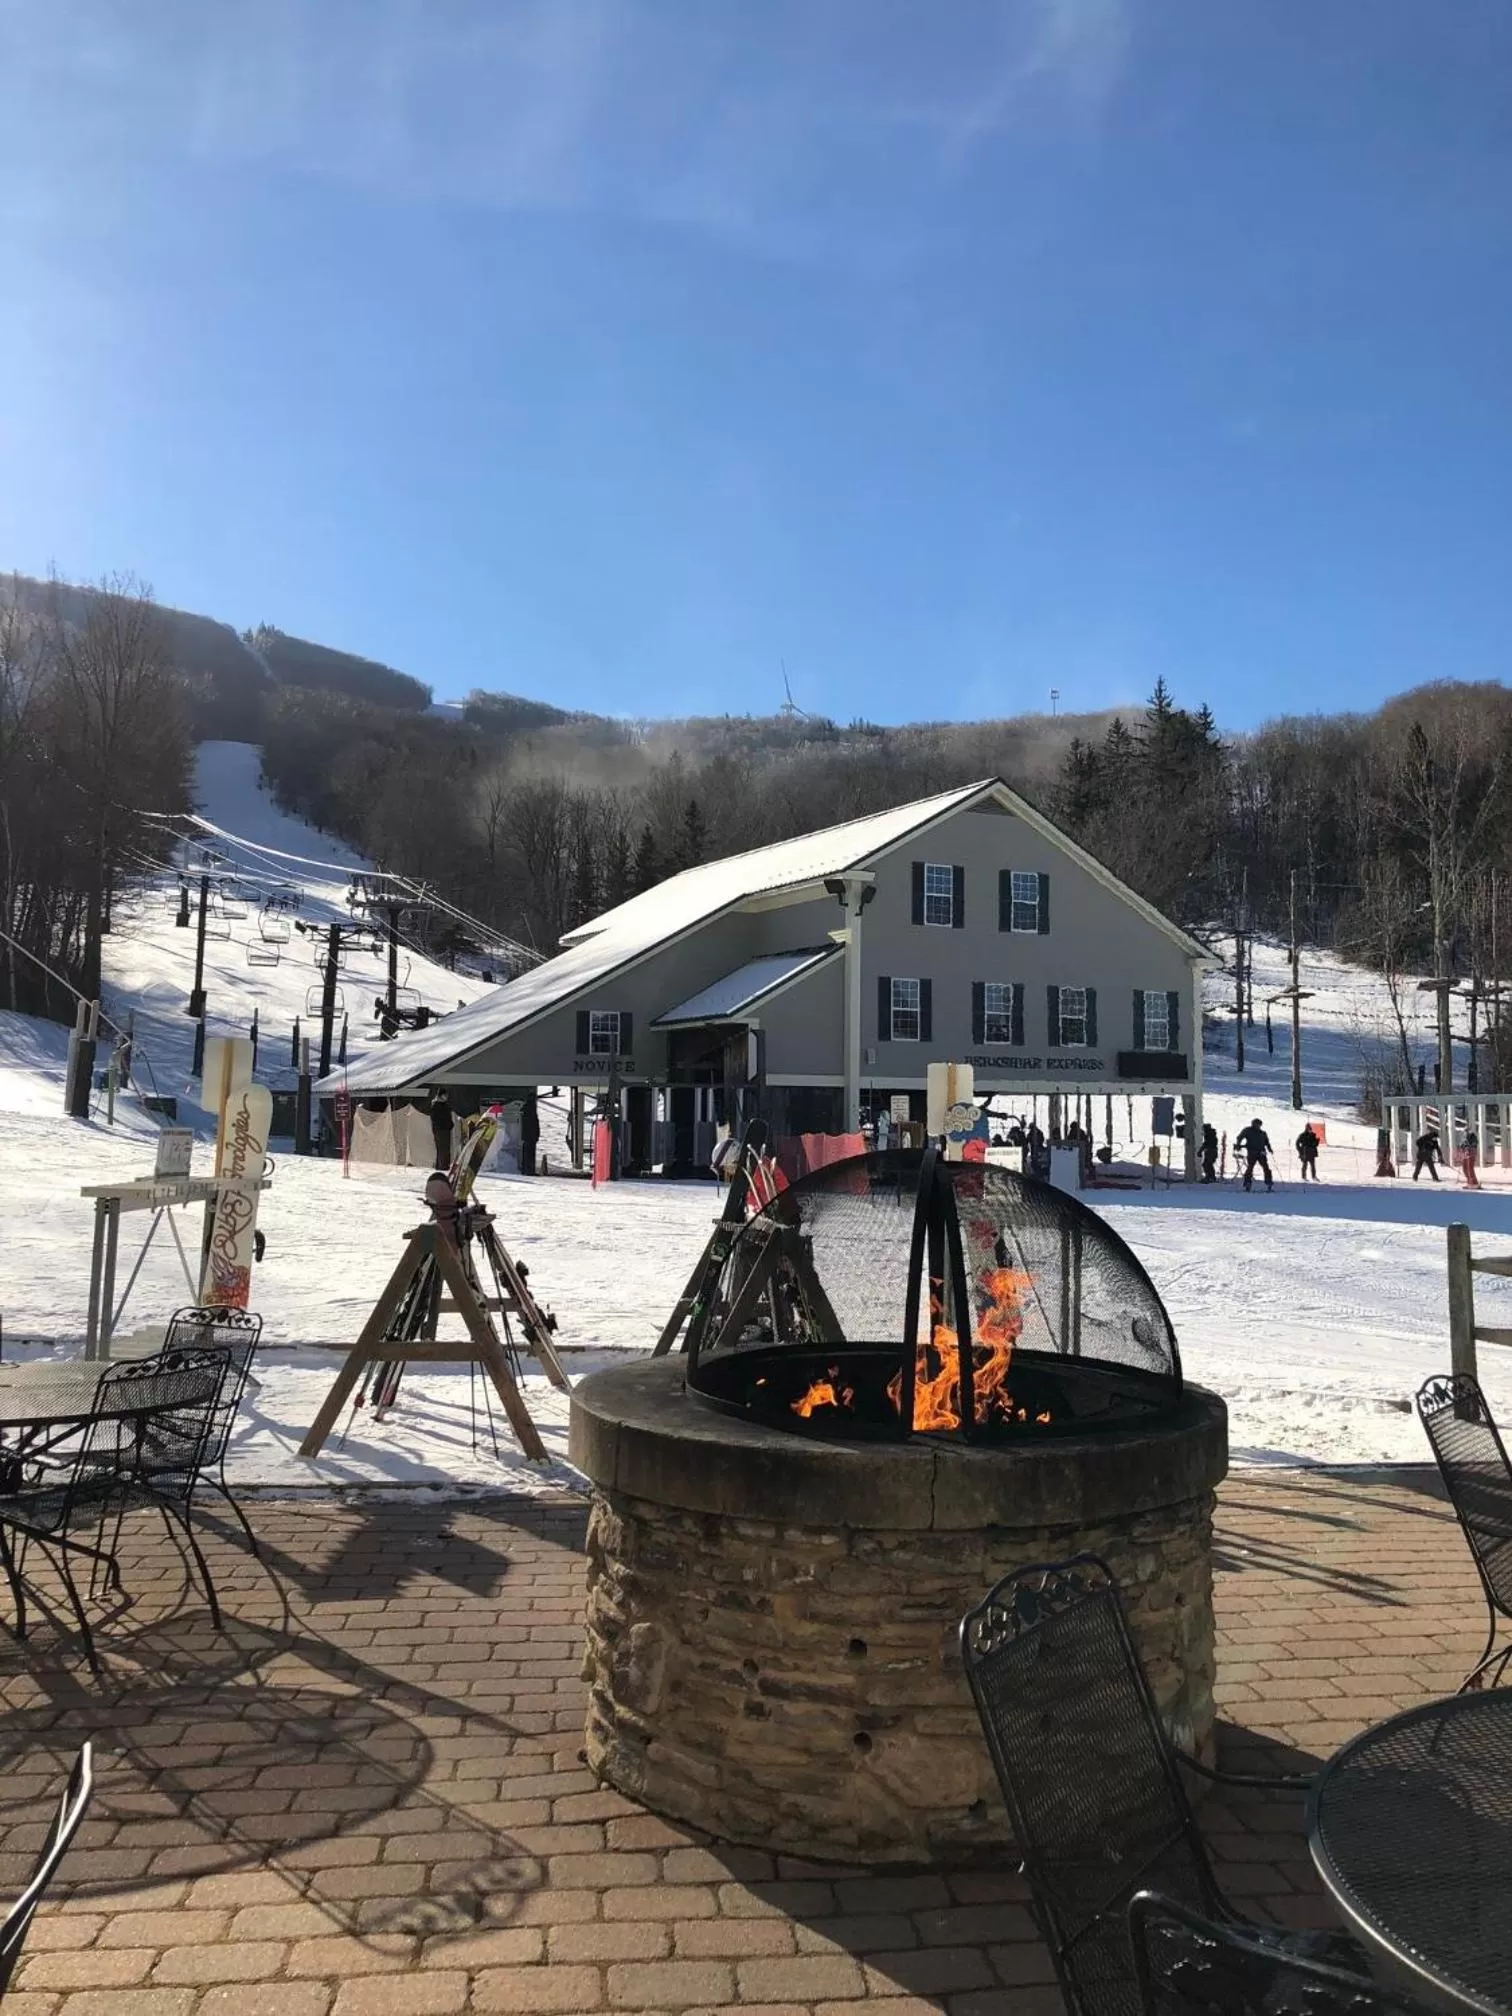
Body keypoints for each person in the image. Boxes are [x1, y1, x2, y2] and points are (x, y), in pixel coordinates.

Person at [1235, 1116, 1274, 1192]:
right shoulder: (1248, 1130)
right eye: (1257, 1124)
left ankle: (1269, 1183)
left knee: (1266, 1168)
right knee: (1250, 1168)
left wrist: (1269, 1149)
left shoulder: (1262, 1133)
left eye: (1259, 1124)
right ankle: (1247, 1184)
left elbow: (1266, 1142)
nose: (1258, 1126)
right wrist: (1238, 1144)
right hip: (1252, 1152)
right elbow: (1239, 1137)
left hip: (1261, 1152)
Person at [429, 1090, 455, 1172]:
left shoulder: (445, 1105)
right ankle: (443, 1166)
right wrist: (444, 1125)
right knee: (442, 1148)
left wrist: (450, 1124)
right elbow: (435, 1118)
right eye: (445, 1095)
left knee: (445, 1148)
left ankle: (441, 1165)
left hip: (445, 1129)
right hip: (440, 1130)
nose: (446, 1097)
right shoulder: (436, 1105)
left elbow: (448, 1116)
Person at [519, 1093, 540, 1176]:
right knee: (530, 1153)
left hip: (527, 1135)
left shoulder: (526, 1108)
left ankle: (526, 1169)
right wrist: (535, 1134)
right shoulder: (531, 1108)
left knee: (526, 1153)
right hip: (530, 1136)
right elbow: (533, 1123)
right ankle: (529, 1170)